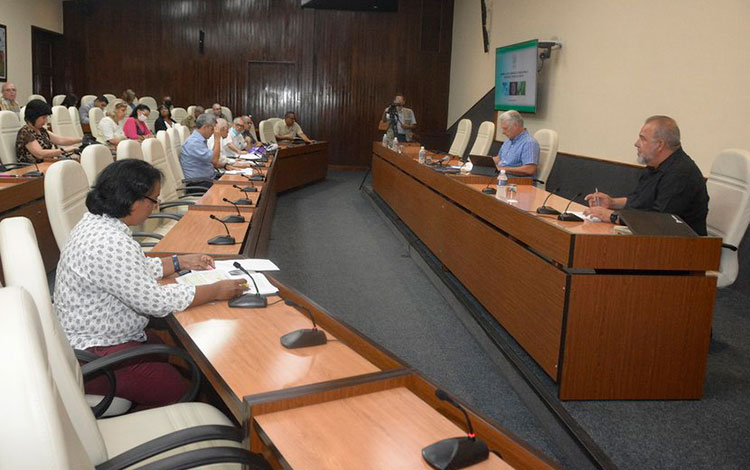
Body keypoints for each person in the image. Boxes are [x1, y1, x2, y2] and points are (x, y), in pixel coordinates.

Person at [54, 159, 246, 409]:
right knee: (180, 388)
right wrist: (215, 290)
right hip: (93, 355)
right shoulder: (108, 243)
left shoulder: (99, 223)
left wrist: (178, 262)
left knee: (167, 349)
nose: (157, 206)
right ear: (132, 200)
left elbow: (131, 271)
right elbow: (155, 302)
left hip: (105, 336)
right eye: (154, 199)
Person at [584, 115, 709, 235]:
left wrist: (611, 216)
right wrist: (612, 203)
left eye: (643, 139)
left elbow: (658, 221)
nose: (636, 143)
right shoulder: (655, 166)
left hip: (682, 249)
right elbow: (641, 201)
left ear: (659, 145)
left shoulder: (681, 174)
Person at [15, 99, 81, 163]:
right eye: (43, 118)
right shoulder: (25, 133)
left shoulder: (41, 130)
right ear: (33, 116)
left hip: (46, 164)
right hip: (31, 170)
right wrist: (64, 150)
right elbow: (40, 154)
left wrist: (81, 139)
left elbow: (60, 140)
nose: (46, 121)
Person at [492, 110, 539, 177]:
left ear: (515, 126)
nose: (503, 132)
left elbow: (529, 169)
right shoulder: (508, 140)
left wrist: (503, 169)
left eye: (505, 129)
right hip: (500, 176)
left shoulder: (529, 143)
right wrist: (482, 162)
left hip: (515, 182)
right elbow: (499, 158)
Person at [180, 113, 221, 189]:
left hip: (208, 178)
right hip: (198, 184)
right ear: (205, 127)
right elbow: (215, 159)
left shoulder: (200, 140)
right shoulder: (194, 143)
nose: (213, 132)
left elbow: (212, 159)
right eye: (212, 129)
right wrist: (217, 140)